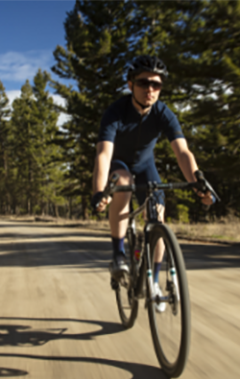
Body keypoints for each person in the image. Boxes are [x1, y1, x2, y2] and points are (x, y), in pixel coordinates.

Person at [91, 55, 213, 284]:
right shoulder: (115, 112)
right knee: (124, 184)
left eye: (156, 84)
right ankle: (118, 254)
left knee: (158, 218)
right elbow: (104, 153)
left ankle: (153, 282)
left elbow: (183, 153)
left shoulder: (163, 113)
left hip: (146, 167)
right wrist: (99, 191)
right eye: (143, 83)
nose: (150, 89)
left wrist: (198, 182)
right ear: (130, 85)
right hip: (120, 165)